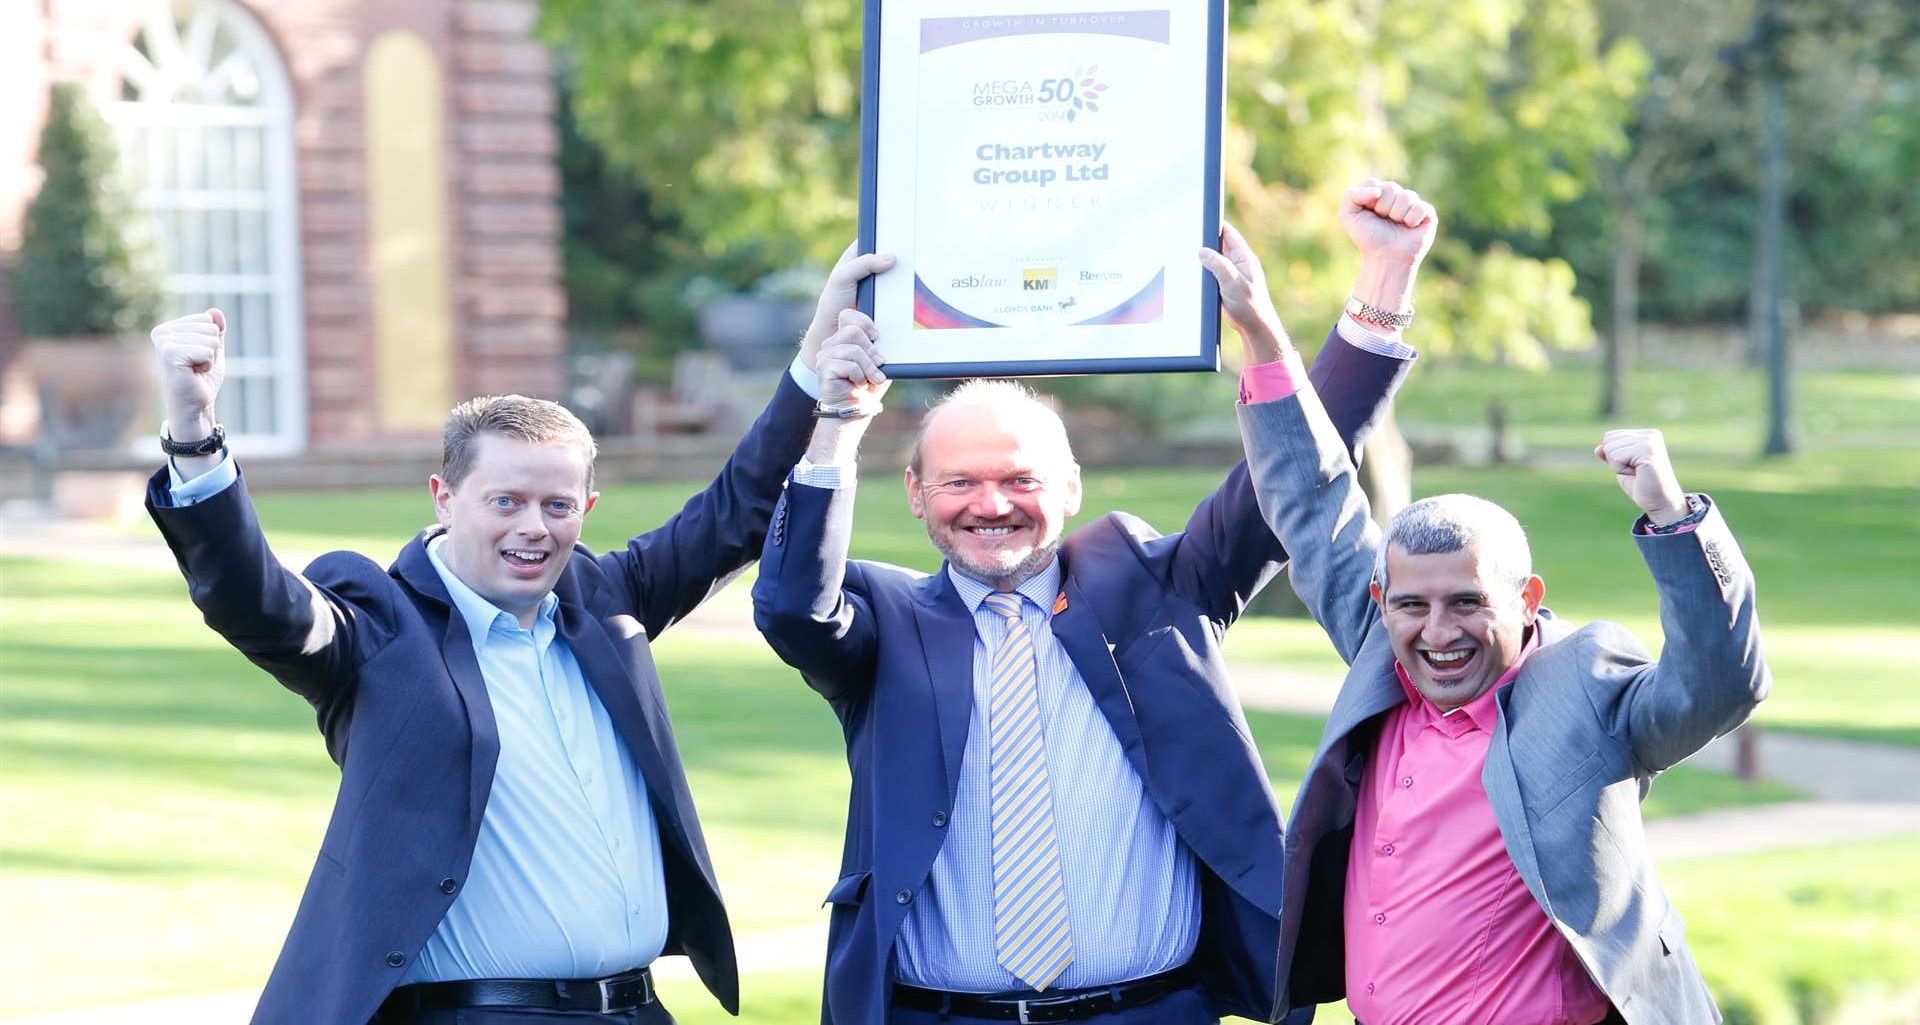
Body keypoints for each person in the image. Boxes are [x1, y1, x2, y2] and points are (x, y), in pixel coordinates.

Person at [143, 250, 890, 1025]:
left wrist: (818, 350)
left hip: (636, 1011)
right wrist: (194, 434)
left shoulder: (607, 601)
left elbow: (738, 507)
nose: (533, 528)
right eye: (505, 501)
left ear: (586, 508)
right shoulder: (378, 625)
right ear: (444, 497)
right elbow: (254, 602)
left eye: (557, 506)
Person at [751, 181, 1435, 1025]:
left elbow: (1293, 471)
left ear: (1070, 486)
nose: (989, 504)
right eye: (959, 481)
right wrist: (834, 426)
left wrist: (1375, 289)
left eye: (1019, 479)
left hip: (1155, 1011)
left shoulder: (1157, 587)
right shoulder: (884, 622)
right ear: (916, 495)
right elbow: (790, 607)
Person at [1232, 297, 1768, 1022]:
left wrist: (1674, 517)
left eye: (1468, 603)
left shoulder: (1584, 681)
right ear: (1382, 599)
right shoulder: (1380, 646)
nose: (1438, 631)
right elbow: (1311, 497)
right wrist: (1263, 339)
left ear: (1525, 599)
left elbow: (1719, 684)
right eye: (1413, 605)